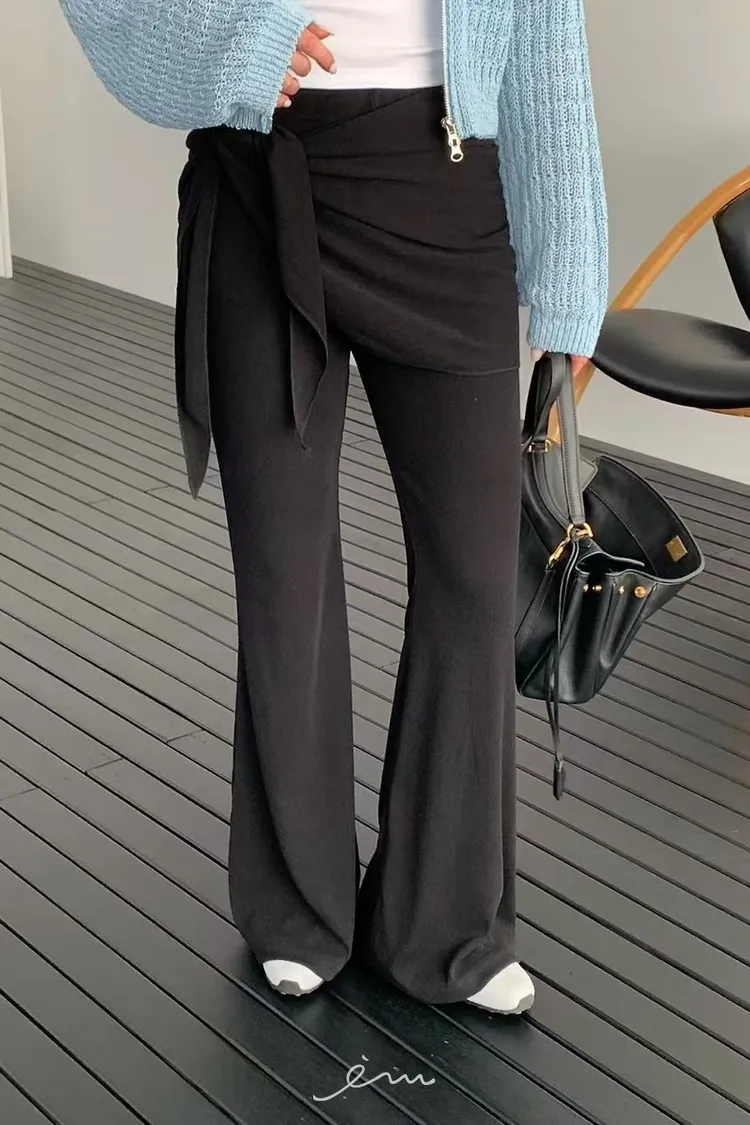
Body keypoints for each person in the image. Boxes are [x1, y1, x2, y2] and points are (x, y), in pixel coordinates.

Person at [59, 0, 608, 1014]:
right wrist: (229, 44)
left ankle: (449, 925)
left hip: (447, 189)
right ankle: (296, 907)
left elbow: (543, 28)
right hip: (262, 175)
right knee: (285, 570)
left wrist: (571, 272)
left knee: (476, 574)